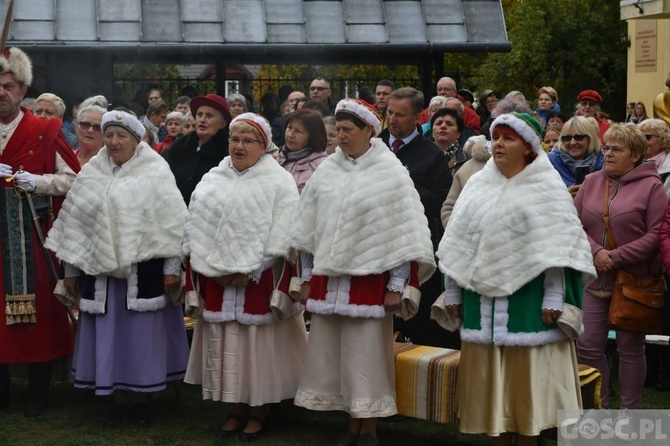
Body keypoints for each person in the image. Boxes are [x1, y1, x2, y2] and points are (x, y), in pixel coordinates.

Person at [436, 112, 596, 444]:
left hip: (529, 305)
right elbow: (458, 243)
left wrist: (554, 296)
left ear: (528, 147)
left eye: (508, 139)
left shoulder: (547, 186)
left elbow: (559, 248)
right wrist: (452, 291)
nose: (498, 145)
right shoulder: (478, 182)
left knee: (525, 393)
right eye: (496, 138)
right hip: (481, 302)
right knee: (492, 393)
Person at [290, 99, 435, 446]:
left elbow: (402, 233)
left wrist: (397, 284)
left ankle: (368, 426)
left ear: (369, 130)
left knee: (366, 356)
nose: (339, 136)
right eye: (336, 130)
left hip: (369, 286)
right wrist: (307, 278)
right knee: (334, 355)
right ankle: (350, 424)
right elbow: (308, 230)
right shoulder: (327, 170)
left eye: (347, 130)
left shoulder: (391, 172)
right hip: (329, 283)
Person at [44, 110, 189, 424]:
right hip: (101, 276)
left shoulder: (155, 170)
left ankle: (142, 398)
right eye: (108, 135)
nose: (112, 141)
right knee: (110, 336)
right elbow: (74, 225)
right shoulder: (92, 172)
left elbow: (174, 224)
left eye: (121, 135)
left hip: (144, 273)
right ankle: (118, 398)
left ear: (136, 140)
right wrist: (70, 272)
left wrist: (172, 268)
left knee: (141, 338)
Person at [183, 112, 306, 442]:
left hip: (258, 281)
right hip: (218, 281)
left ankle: (259, 409)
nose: (239, 146)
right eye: (234, 139)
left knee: (256, 347)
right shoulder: (212, 178)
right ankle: (235, 406)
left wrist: (250, 269)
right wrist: (216, 269)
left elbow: (285, 232)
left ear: (262, 145)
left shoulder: (278, 181)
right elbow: (196, 227)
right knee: (225, 342)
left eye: (247, 140)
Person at [0, 47, 81, 416]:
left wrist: (38, 182)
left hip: (31, 237)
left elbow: (72, 179)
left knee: (39, 317)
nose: (1, 91)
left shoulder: (45, 129)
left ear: (22, 89)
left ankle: (38, 392)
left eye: (9, 85)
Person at [574, 123, 666, 409]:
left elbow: (656, 235)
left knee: (629, 349)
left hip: (634, 281)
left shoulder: (653, 187)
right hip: (593, 279)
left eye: (617, 149)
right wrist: (596, 252)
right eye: (606, 148)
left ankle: (630, 416)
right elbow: (572, 224)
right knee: (587, 346)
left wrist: (614, 257)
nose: (609, 153)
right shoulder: (590, 182)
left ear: (636, 154)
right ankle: (597, 414)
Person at [379, 87, 453, 347]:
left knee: (416, 329)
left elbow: (440, 201)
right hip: (376, 248)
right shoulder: (373, 147)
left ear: (417, 118)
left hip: (413, 249)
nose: (392, 120)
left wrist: (405, 186)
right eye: (389, 112)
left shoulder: (431, 155)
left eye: (400, 115)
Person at [163, 94, 231, 205]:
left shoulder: (227, 154)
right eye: (199, 115)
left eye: (209, 116)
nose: (202, 120)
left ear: (222, 123)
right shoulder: (179, 147)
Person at [440, 135, 489, 228]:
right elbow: (448, 208)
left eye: (509, 138)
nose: (500, 142)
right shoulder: (468, 168)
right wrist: (457, 233)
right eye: (496, 136)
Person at [548, 116, 604, 195]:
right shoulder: (550, 163)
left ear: (590, 139)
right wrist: (565, 196)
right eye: (567, 138)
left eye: (579, 137)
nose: (572, 142)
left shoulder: (604, 164)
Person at [277, 109, 328, 194]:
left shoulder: (323, 166)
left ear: (312, 136)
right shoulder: (276, 160)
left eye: (298, 131)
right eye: (289, 128)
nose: (290, 135)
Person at [431, 108, 469, 175]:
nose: (443, 126)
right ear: (432, 132)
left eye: (449, 124)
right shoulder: (420, 157)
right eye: (438, 123)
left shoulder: (468, 161)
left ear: (458, 133)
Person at [639, 118, 670, 193]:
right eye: (639, 137)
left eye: (647, 137)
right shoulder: (632, 162)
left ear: (663, 138)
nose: (642, 141)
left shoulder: (668, 166)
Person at [73, 102, 106, 166]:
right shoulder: (64, 158)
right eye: (85, 124)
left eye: (97, 127)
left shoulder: (110, 164)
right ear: (76, 127)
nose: (90, 130)